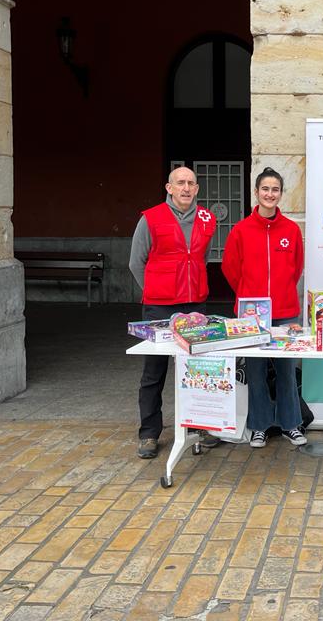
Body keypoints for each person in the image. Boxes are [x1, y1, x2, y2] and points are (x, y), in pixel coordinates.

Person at [129, 166, 216, 459]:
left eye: (191, 183)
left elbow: (201, 258)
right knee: (154, 372)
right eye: (180, 183)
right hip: (159, 305)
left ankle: (198, 426)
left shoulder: (207, 219)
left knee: (197, 371)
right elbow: (135, 262)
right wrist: (155, 290)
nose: (186, 188)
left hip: (194, 307)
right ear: (169, 187)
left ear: (197, 189)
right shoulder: (150, 218)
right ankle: (149, 433)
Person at [222, 167, 306, 448]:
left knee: (286, 369)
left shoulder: (291, 230)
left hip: (285, 311)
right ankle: (259, 426)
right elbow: (231, 269)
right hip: (251, 314)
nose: (270, 194)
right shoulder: (241, 230)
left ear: (281, 194)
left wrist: (280, 293)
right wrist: (248, 296)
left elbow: (296, 268)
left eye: (275, 189)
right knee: (255, 370)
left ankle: (291, 424)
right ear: (256, 192)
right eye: (265, 189)